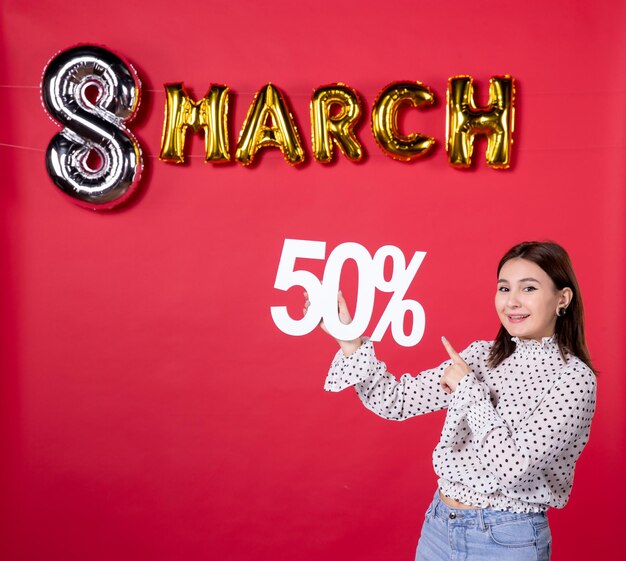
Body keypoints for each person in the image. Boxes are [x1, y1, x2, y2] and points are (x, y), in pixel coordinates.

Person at [304, 241, 596, 561]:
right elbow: (396, 401)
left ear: (562, 298)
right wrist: (349, 339)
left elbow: (514, 467)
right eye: (503, 288)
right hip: (440, 527)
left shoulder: (574, 380)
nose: (511, 301)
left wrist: (469, 390)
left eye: (528, 288)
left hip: (507, 540)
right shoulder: (479, 356)